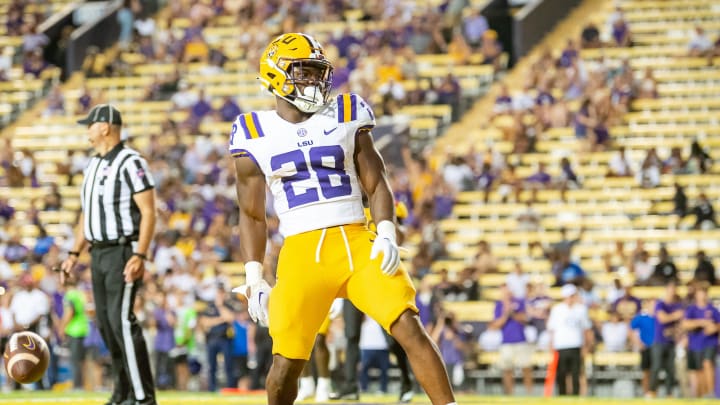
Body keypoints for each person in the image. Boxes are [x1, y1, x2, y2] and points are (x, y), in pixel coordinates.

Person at [229, 33, 457, 405]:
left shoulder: (347, 112)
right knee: (286, 363)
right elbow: (252, 214)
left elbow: (377, 180)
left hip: (357, 241)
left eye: (317, 73)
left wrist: (385, 231)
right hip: (302, 253)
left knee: (408, 325)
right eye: (303, 72)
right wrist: (254, 276)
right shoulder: (253, 131)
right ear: (274, 75)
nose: (313, 81)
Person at [59, 104, 157, 405]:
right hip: (98, 253)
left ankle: (144, 397)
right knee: (105, 323)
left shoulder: (131, 162)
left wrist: (139, 254)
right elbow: (87, 215)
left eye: (90, 124)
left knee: (122, 322)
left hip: (122, 250)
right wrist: (74, 253)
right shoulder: (93, 164)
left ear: (105, 127)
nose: (87, 130)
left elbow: (149, 212)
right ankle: (122, 391)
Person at [547, 284, 593, 396]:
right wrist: (551, 346)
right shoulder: (557, 309)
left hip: (576, 345)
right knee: (561, 373)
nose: (571, 298)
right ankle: (562, 396)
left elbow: (586, 329)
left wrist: (586, 346)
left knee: (576, 373)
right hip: (561, 345)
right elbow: (552, 329)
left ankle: (575, 396)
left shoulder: (581, 309)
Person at [490, 284, 533, 395]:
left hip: (521, 340)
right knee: (507, 369)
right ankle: (509, 394)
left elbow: (525, 319)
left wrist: (512, 313)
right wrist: (505, 313)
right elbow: (496, 325)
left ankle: (529, 394)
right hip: (506, 342)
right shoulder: (499, 305)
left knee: (526, 368)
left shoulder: (519, 302)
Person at [682, 282, 720, 398]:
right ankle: (702, 395)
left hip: (710, 342)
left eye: (704, 293)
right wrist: (701, 322)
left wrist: (714, 328)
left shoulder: (712, 309)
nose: (702, 295)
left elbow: (718, 324)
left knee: (708, 364)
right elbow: (685, 324)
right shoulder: (692, 309)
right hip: (695, 344)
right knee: (699, 371)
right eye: (700, 293)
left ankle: (711, 393)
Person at [649, 282, 683, 397]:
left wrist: (672, 330)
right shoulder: (660, 304)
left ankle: (669, 393)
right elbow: (662, 318)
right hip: (659, 341)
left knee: (671, 369)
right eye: (670, 289)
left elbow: (680, 324)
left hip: (671, 341)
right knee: (656, 366)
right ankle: (652, 391)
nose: (671, 292)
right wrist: (675, 316)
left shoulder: (677, 305)